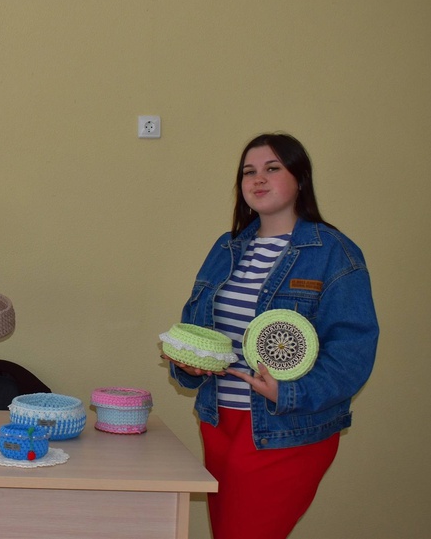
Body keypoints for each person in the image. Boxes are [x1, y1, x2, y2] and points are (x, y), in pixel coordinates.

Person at [162, 133, 379, 539]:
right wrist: (189, 364)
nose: (258, 179)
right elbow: (198, 325)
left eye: (272, 168)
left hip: (286, 429)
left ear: (300, 178)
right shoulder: (226, 248)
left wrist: (289, 393)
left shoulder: (335, 253)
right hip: (219, 421)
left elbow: (353, 351)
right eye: (249, 172)